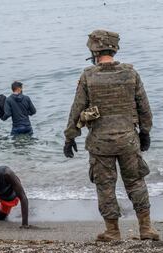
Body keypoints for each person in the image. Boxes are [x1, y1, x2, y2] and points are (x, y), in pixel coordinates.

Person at [63, 29, 159, 241]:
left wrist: (70, 136)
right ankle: (146, 229)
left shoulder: (88, 75)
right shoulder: (131, 74)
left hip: (100, 144)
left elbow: (77, 109)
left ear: (94, 49)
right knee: (136, 182)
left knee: (105, 187)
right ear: (114, 48)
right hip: (128, 140)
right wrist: (145, 133)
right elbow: (144, 107)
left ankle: (113, 231)